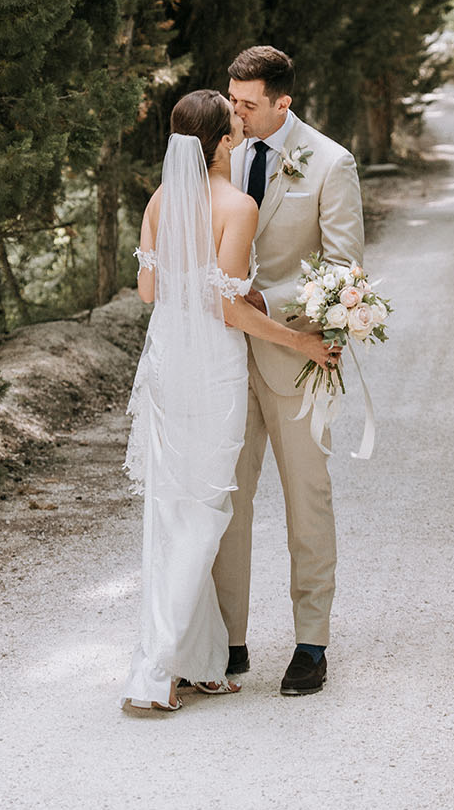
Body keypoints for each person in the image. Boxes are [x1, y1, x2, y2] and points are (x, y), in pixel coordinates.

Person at [121, 88, 337, 712]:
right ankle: (160, 669)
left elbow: (145, 289)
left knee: (172, 507)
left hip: (165, 361)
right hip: (212, 366)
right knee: (206, 509)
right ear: (221, 142)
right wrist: (298, 339)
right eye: (232, 122)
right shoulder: (234, 206)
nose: (241, 125)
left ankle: (199, 660)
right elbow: (228, 306)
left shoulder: (160, 200)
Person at [212, 46, 364, 696]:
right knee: (225, 503)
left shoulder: (330, 163)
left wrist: (268, 302)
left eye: (247, 103)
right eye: (232, 100)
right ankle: (229, 642)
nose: (235, 113)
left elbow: (343, 270)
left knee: (308, 502)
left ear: (283, 102)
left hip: (298, 359)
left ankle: (311, 643)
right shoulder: (222, 154)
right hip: (221, 359)